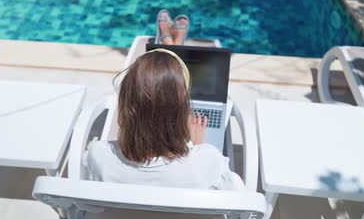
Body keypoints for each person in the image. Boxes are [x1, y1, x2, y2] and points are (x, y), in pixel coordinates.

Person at [83, 48, 245, 190]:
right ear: (180, 114)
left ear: (125, 106)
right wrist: (197, 149)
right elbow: (242, 208)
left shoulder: (98, 155)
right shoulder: (209, 162)